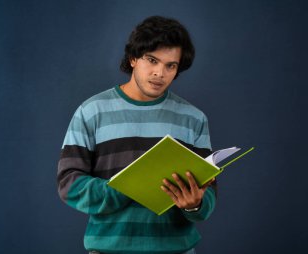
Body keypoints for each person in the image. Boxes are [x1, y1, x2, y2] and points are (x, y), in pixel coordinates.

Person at [57, 16, 217, 254]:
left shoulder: (193, 118)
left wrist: (195, 205)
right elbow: (69, 183)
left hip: (176, 249)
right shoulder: (91, 112)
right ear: (133, 58)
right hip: (109, 250)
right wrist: (125, 188)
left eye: (170, 65)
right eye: (151, 60)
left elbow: (209, 191)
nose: (159, 73)